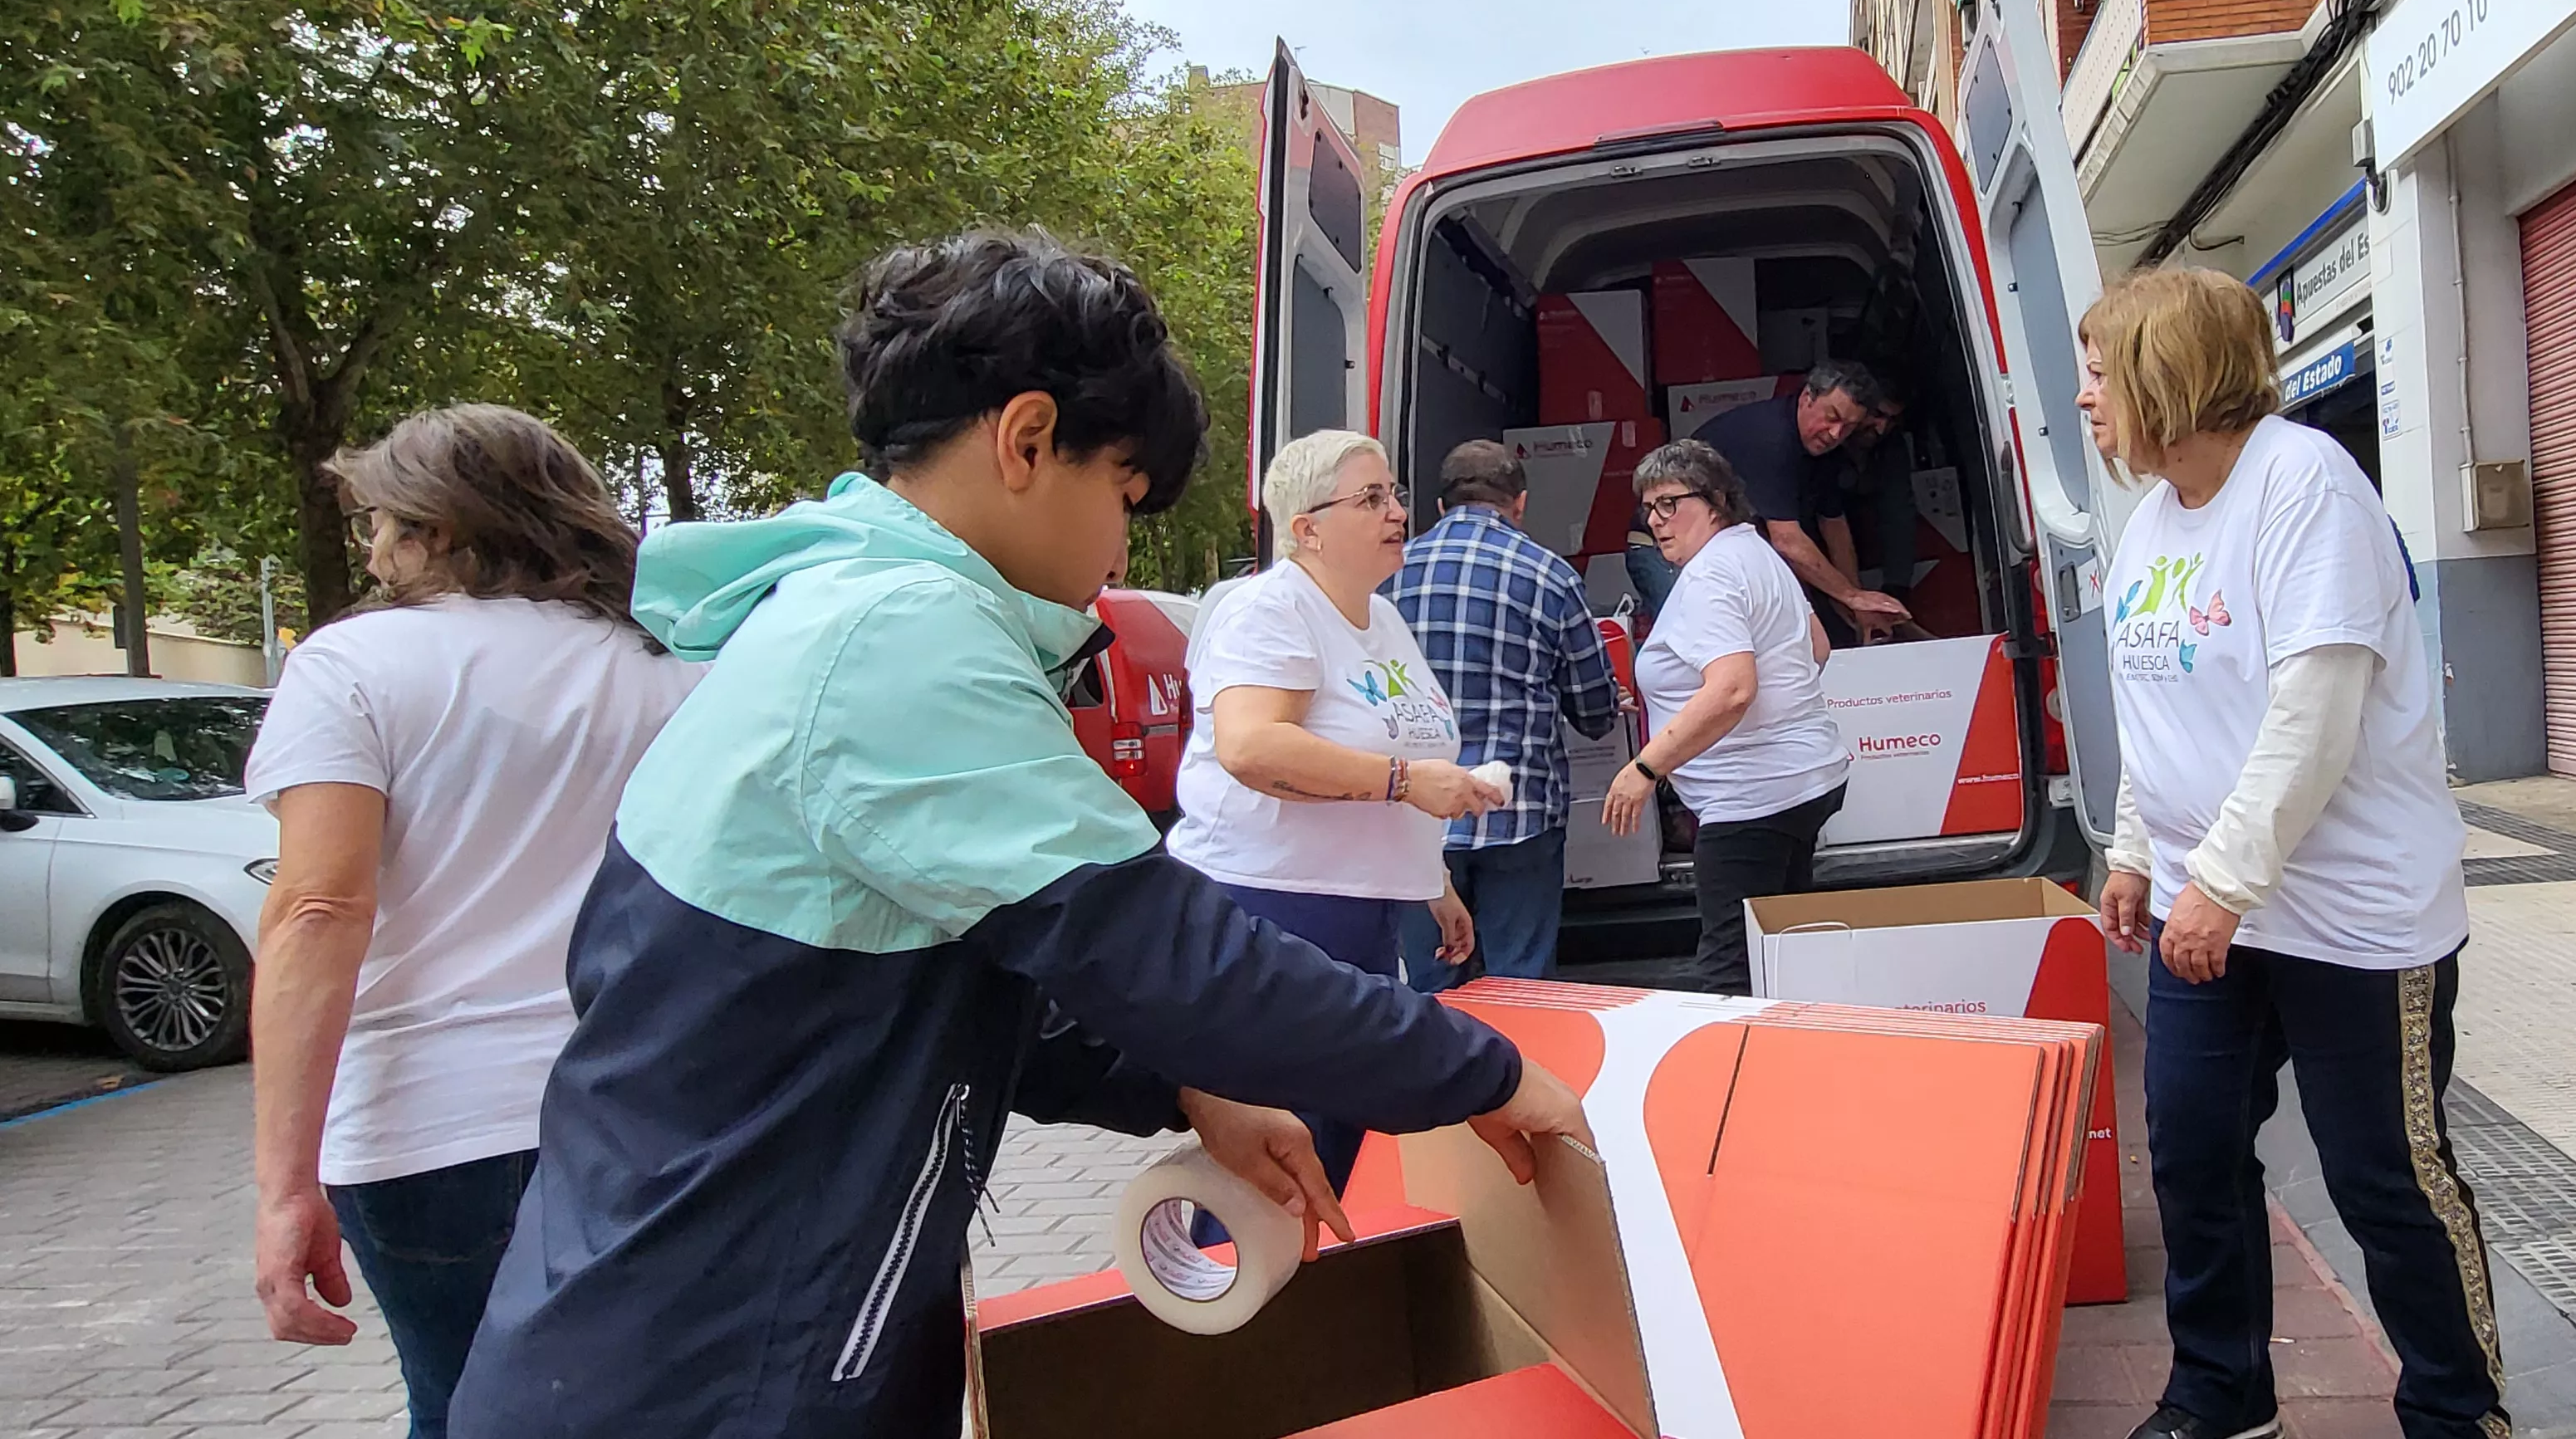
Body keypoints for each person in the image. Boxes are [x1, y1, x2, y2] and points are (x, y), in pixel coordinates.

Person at [444, 231, 1587, 1439]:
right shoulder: (899, 637)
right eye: (1124, 497)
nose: (1120, 553)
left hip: (732, 1321)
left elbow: (986, 979)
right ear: (1028, 440)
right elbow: (1159, 952)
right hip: (715, 1360)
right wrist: (1491, 1074)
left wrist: (1190, 1087)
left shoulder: (855, 612)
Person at [2076, 268, 2500, 1439]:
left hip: (2350, 918)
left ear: (2173, 370)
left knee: (2387, 1180)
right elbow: (2157, 712)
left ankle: (2462, 1416)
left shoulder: (2304, 482)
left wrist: (2217, 881)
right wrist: (2130, 851)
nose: (2087, 399)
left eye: (2105, 372)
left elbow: (2314, 718)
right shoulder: (2154, 519)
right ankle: (2223, 1392)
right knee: (2197, 1153)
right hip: (2205, 906)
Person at [245, 405, 703, 1439]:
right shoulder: (673, 670)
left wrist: (284, 1185)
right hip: (641, 1107)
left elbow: (319, 907)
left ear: (441, 529)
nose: (369, 546)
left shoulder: (353, 666)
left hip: (426, 1127)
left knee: (459, 1407)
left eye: (381, 520)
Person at [1168, 427, 1507, 1199]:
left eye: (1395, 493)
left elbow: (1401, 755)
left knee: (1338, 1141)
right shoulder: (1271, 610)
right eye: (1370, 497)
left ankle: (1328, 1303)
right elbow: (1251, 747)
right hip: (1273, 911)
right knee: (1285, 1154)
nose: (1396, 511)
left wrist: (1431, 878)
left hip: (1357, 915)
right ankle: (1249, 1300)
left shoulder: (1380, 618)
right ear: (1306, 528)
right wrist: (1403, 782)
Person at [1600, 439, 1850, 998]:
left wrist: (1645, 768)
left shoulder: (1710, 576)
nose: (1656, 521)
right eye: (1648, 508)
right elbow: (1816, 646)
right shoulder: (1757, 552)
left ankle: (1731, 1077)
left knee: (1729, 967)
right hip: (1805, 780)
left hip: (1749, 799)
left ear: (1715, 500)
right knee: (1782, 948)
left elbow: (1734, 688)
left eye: (1670, 503)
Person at [1386, 439, 1625, 989]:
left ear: (1441, 506)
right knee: (1525, 988)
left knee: (1426, 988)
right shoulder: (1550, 575)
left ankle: (1438, 1072)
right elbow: (1595, 712)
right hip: (1518, 815)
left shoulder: (1388, 574)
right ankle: (1520, 1072)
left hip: (1414, 815)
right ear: (1519, 503)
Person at [1669, 360, 1911, 639]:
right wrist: (1851, 596)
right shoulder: (1773, 438)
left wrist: (1855, 600)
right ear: (1807, 397)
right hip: (1667, 546)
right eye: (1832, 417)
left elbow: (1833, 525)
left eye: (1848, 427)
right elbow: (1786, 540)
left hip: (1725, 552)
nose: (1835, 434)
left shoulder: (1826, 449)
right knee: (1705, 643)